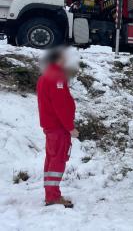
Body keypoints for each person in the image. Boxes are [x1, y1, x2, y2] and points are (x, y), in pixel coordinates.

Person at [37, 47, 79, 208]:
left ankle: (50, 193)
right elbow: (60, 105)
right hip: (58, 127)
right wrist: (70, 127)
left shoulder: (45, 76)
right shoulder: (57, 78)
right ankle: (53, 196)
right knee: (58, 160)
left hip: (51, 126)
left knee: (51, 159)